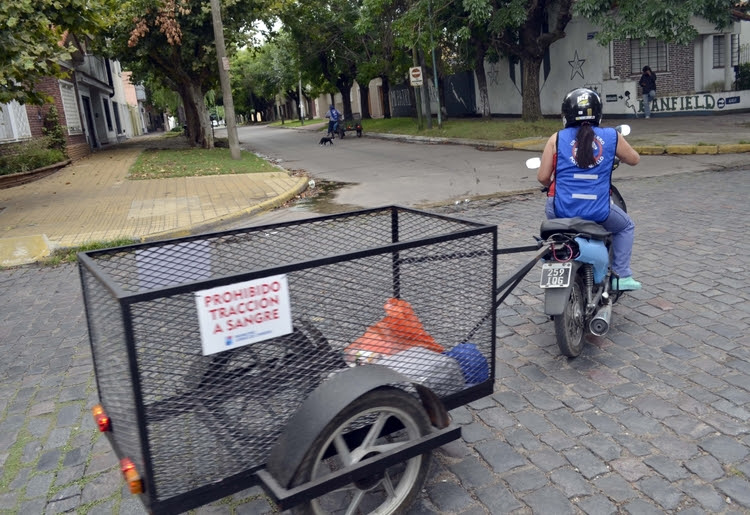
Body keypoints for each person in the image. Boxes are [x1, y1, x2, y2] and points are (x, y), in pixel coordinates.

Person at [537, 87, 642, 291]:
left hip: (559, 208)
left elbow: (542, 177)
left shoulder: (556, 138)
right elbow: (634, 159)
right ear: (599, 113)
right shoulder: (612, 136)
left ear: (566, 114)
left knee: (555, 235)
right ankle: (621, 275)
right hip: (597, 208)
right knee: (625, 227)